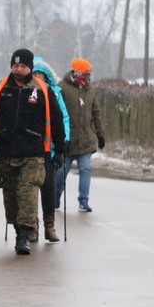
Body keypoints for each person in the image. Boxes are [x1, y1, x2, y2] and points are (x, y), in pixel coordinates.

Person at [0, 48, 65, 255]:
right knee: (12, 199)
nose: (19, 69)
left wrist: (60, 148)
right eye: (16, 65)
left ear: (30, 67)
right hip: (5, 152)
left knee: (28, 195)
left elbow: (57, 119)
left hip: (33, 153)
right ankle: (19, 228)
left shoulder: (42, 89)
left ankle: (24, 236)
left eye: (23, 66)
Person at [56, 57, 105, 212]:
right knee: (61, 173)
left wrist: (100, 134)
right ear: (76, 72)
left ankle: (83, 200)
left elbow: (96, 113)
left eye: (89, 73)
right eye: (85, 73)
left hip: (86, 140)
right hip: (68, 141)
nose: (88, 76)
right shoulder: (62, 87)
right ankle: (55, 198)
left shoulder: (90, 90)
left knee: (85, 169)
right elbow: (57, 113)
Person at [31, 57, 70, 242]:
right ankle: (32, 225)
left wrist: (64, 141)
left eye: (41, 74)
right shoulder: (25, 92)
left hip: (50, 148)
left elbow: (63, 118)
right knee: (29, 189)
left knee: (48, 187)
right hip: (30, 147)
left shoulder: (55, 93)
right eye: (34, 74)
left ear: (46, 76)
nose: (38, 77)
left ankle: (49, 225)